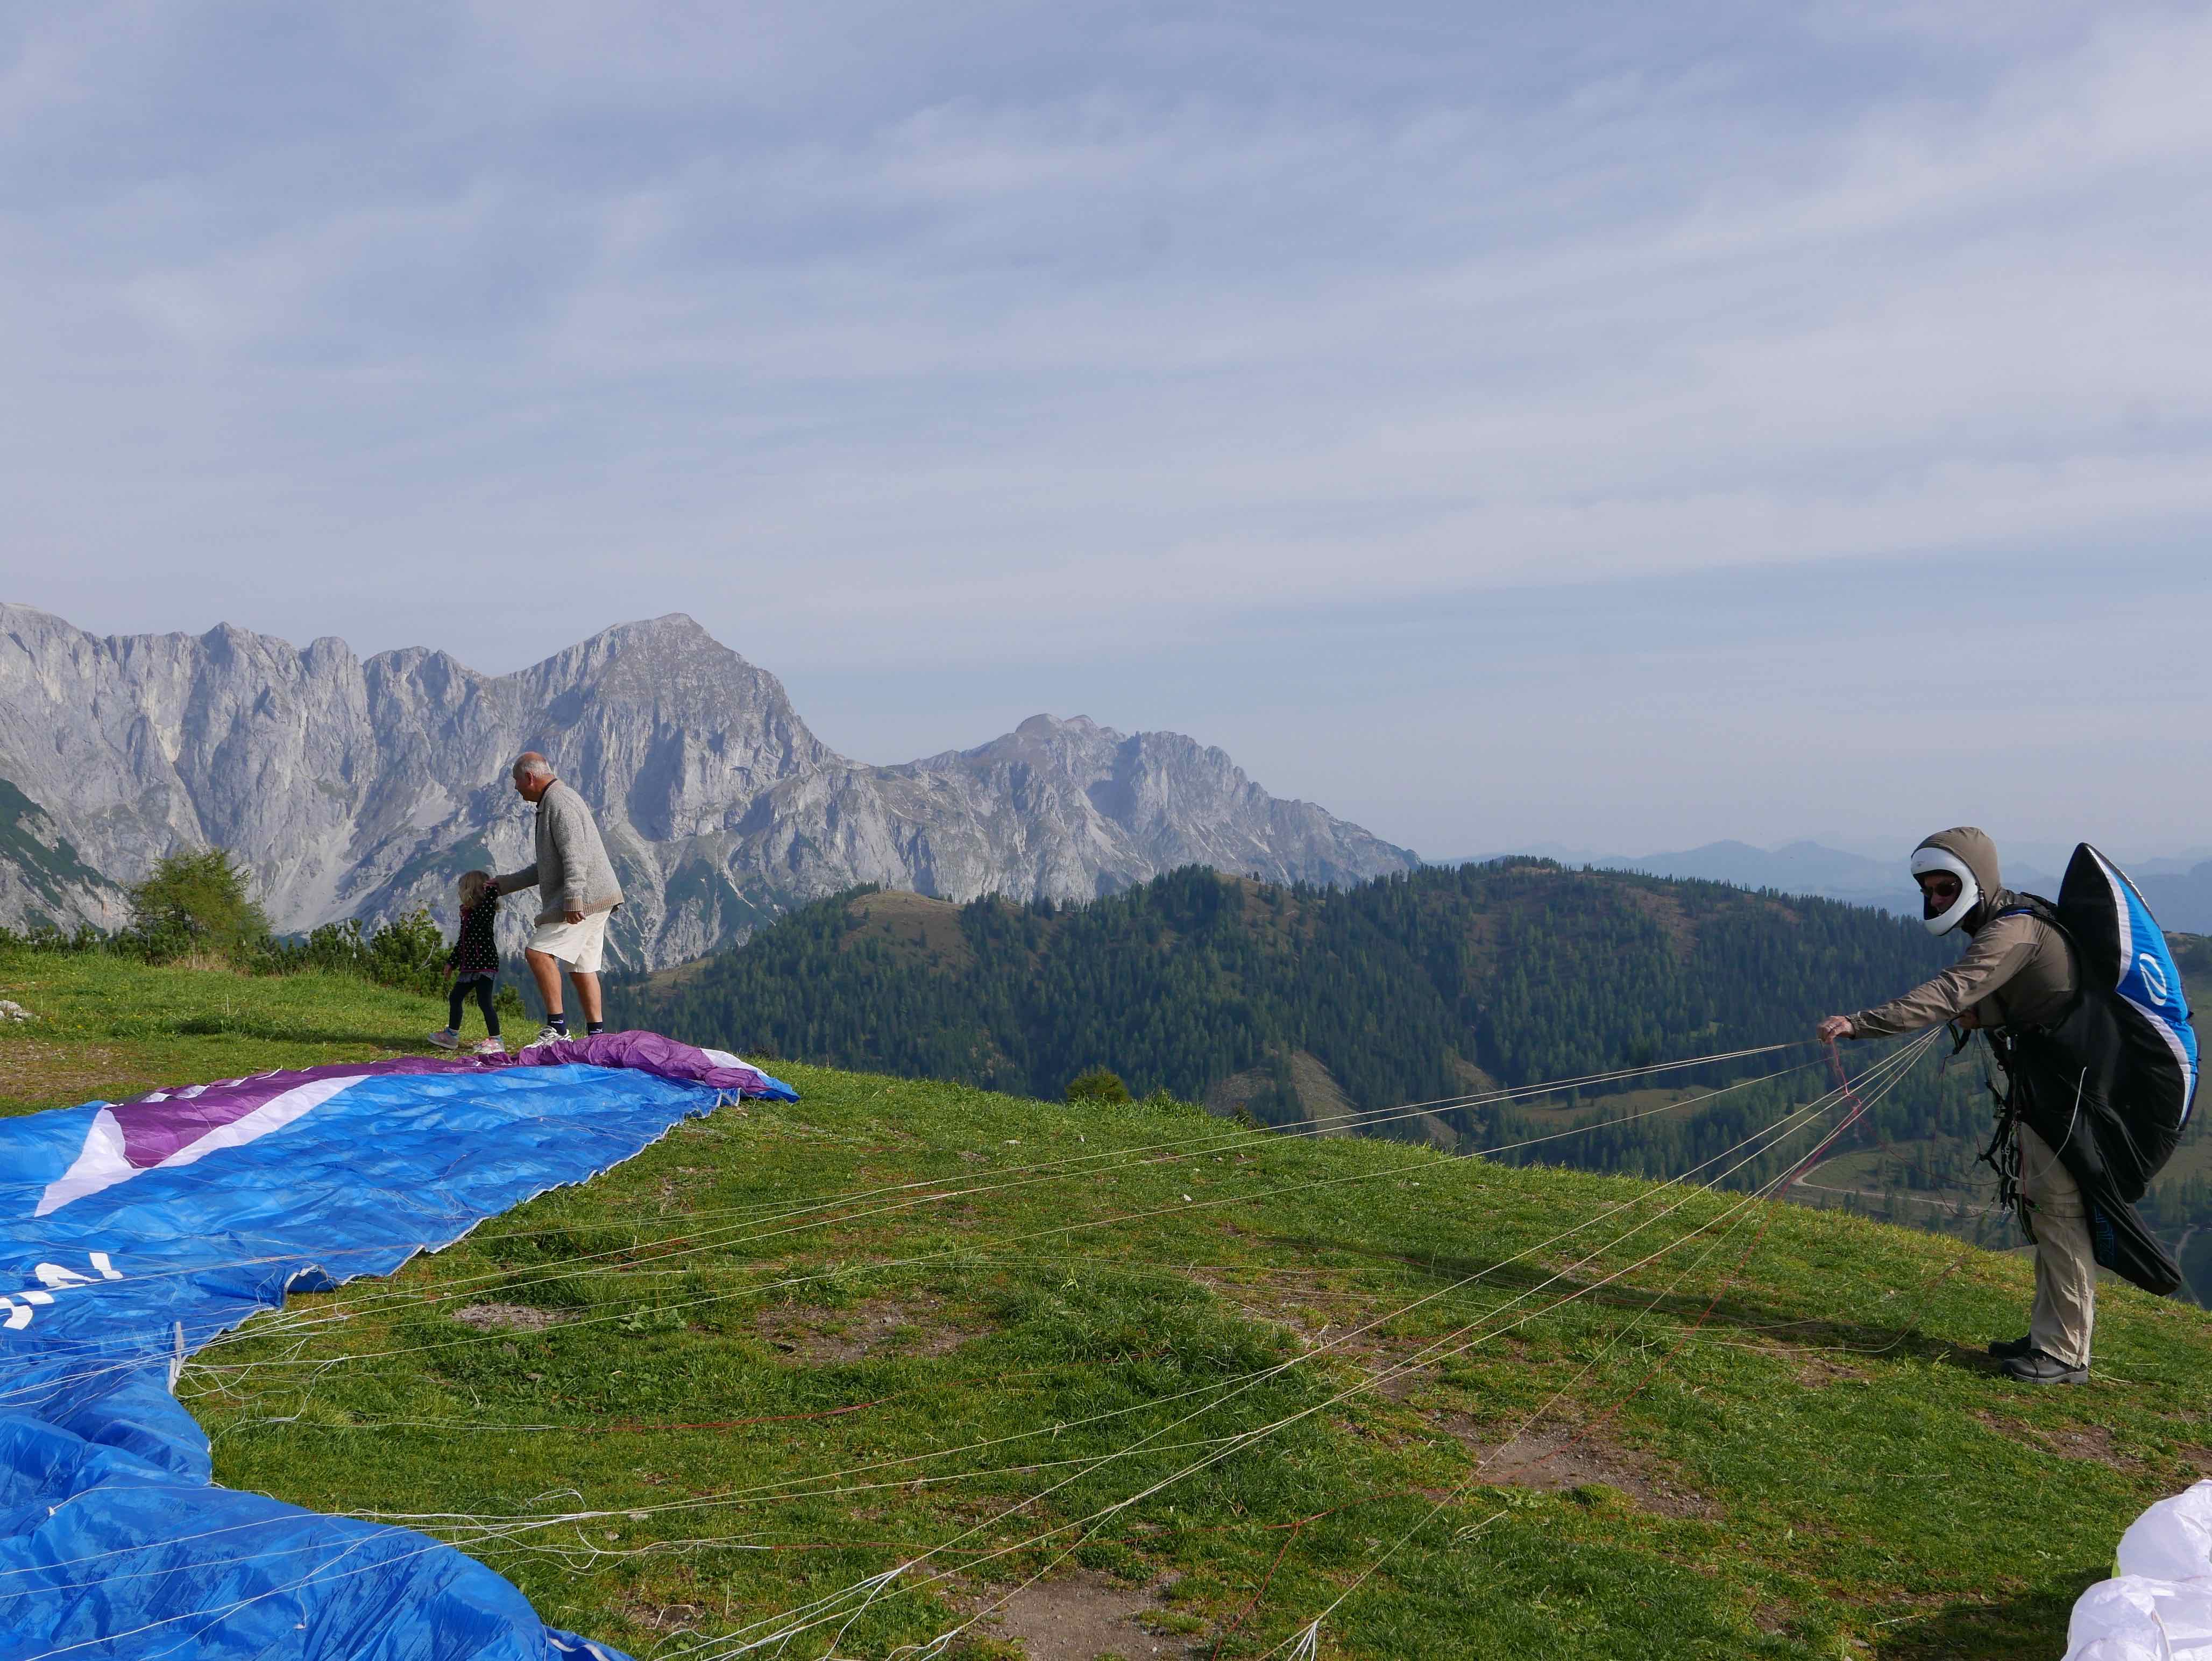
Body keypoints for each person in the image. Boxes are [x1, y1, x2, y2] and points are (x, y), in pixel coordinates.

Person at [1815, 827, 2090, 1385]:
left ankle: (2063, 1353)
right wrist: (1986, 1017)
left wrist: (1860, 1024)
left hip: (2067, 1094)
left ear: (1976, 879)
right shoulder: (2013, 919)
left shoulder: (2012, 929)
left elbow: (1951, 989)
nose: (1937, 901)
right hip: (2048, 1087)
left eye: (1946, 888)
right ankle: (2049, 1335)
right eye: (1930, 891)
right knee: (2043, 1208)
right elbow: (2038, 1001)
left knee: (2059, 1212)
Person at [488, 753, 624, 1049]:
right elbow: (549, 866)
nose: (516, 789)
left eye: (516, 782)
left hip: (585, 896)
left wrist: (574, 898)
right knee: (582, 967)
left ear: (530, 778)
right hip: (600, 895)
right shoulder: (557, 799)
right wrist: (503, 885)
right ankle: (596, 1038)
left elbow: (575, 854)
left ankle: (557, 1030)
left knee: (538, 953)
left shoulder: (558, 802)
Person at [429, 869, 507, 1057]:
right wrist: (452, 963)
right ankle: (451, 1036)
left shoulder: (484, 911)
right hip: (469, 966)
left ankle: (496, 1040)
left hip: (484, 964)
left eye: (462, 887)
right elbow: (461, 942)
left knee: (484, 1001)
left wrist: (490, 888)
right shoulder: (468, 914)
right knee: (455, 997)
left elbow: (489, 902)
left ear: (470, 889)